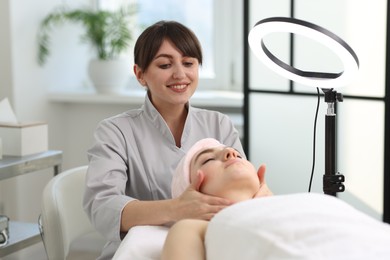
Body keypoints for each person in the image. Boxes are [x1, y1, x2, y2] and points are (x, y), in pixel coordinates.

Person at [83, 20, 272, 259]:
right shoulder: (115, 132)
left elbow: (242, 190)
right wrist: (177, 209)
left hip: (213, 247)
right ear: (140, 74)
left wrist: (261, 197)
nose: (180, 74)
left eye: (189, 63)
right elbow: (102, 207)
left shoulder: (219, 124)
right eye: (165, 64)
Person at [161, 138, 272, 260]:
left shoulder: (286, 205)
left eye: (239, 156)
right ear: (192, 195)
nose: (231, 153)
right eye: (208, 159)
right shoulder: (191, 229)